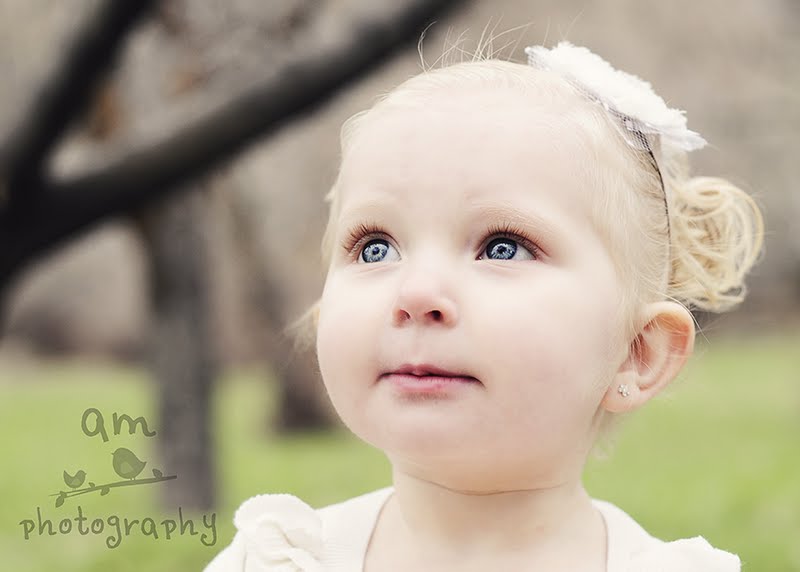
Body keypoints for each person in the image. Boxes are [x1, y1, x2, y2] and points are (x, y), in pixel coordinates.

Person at [205, 41, 764, 571]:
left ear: (637, 353)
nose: (416, 293)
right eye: (375, 247)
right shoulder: (277, 559)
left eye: (502, 247)